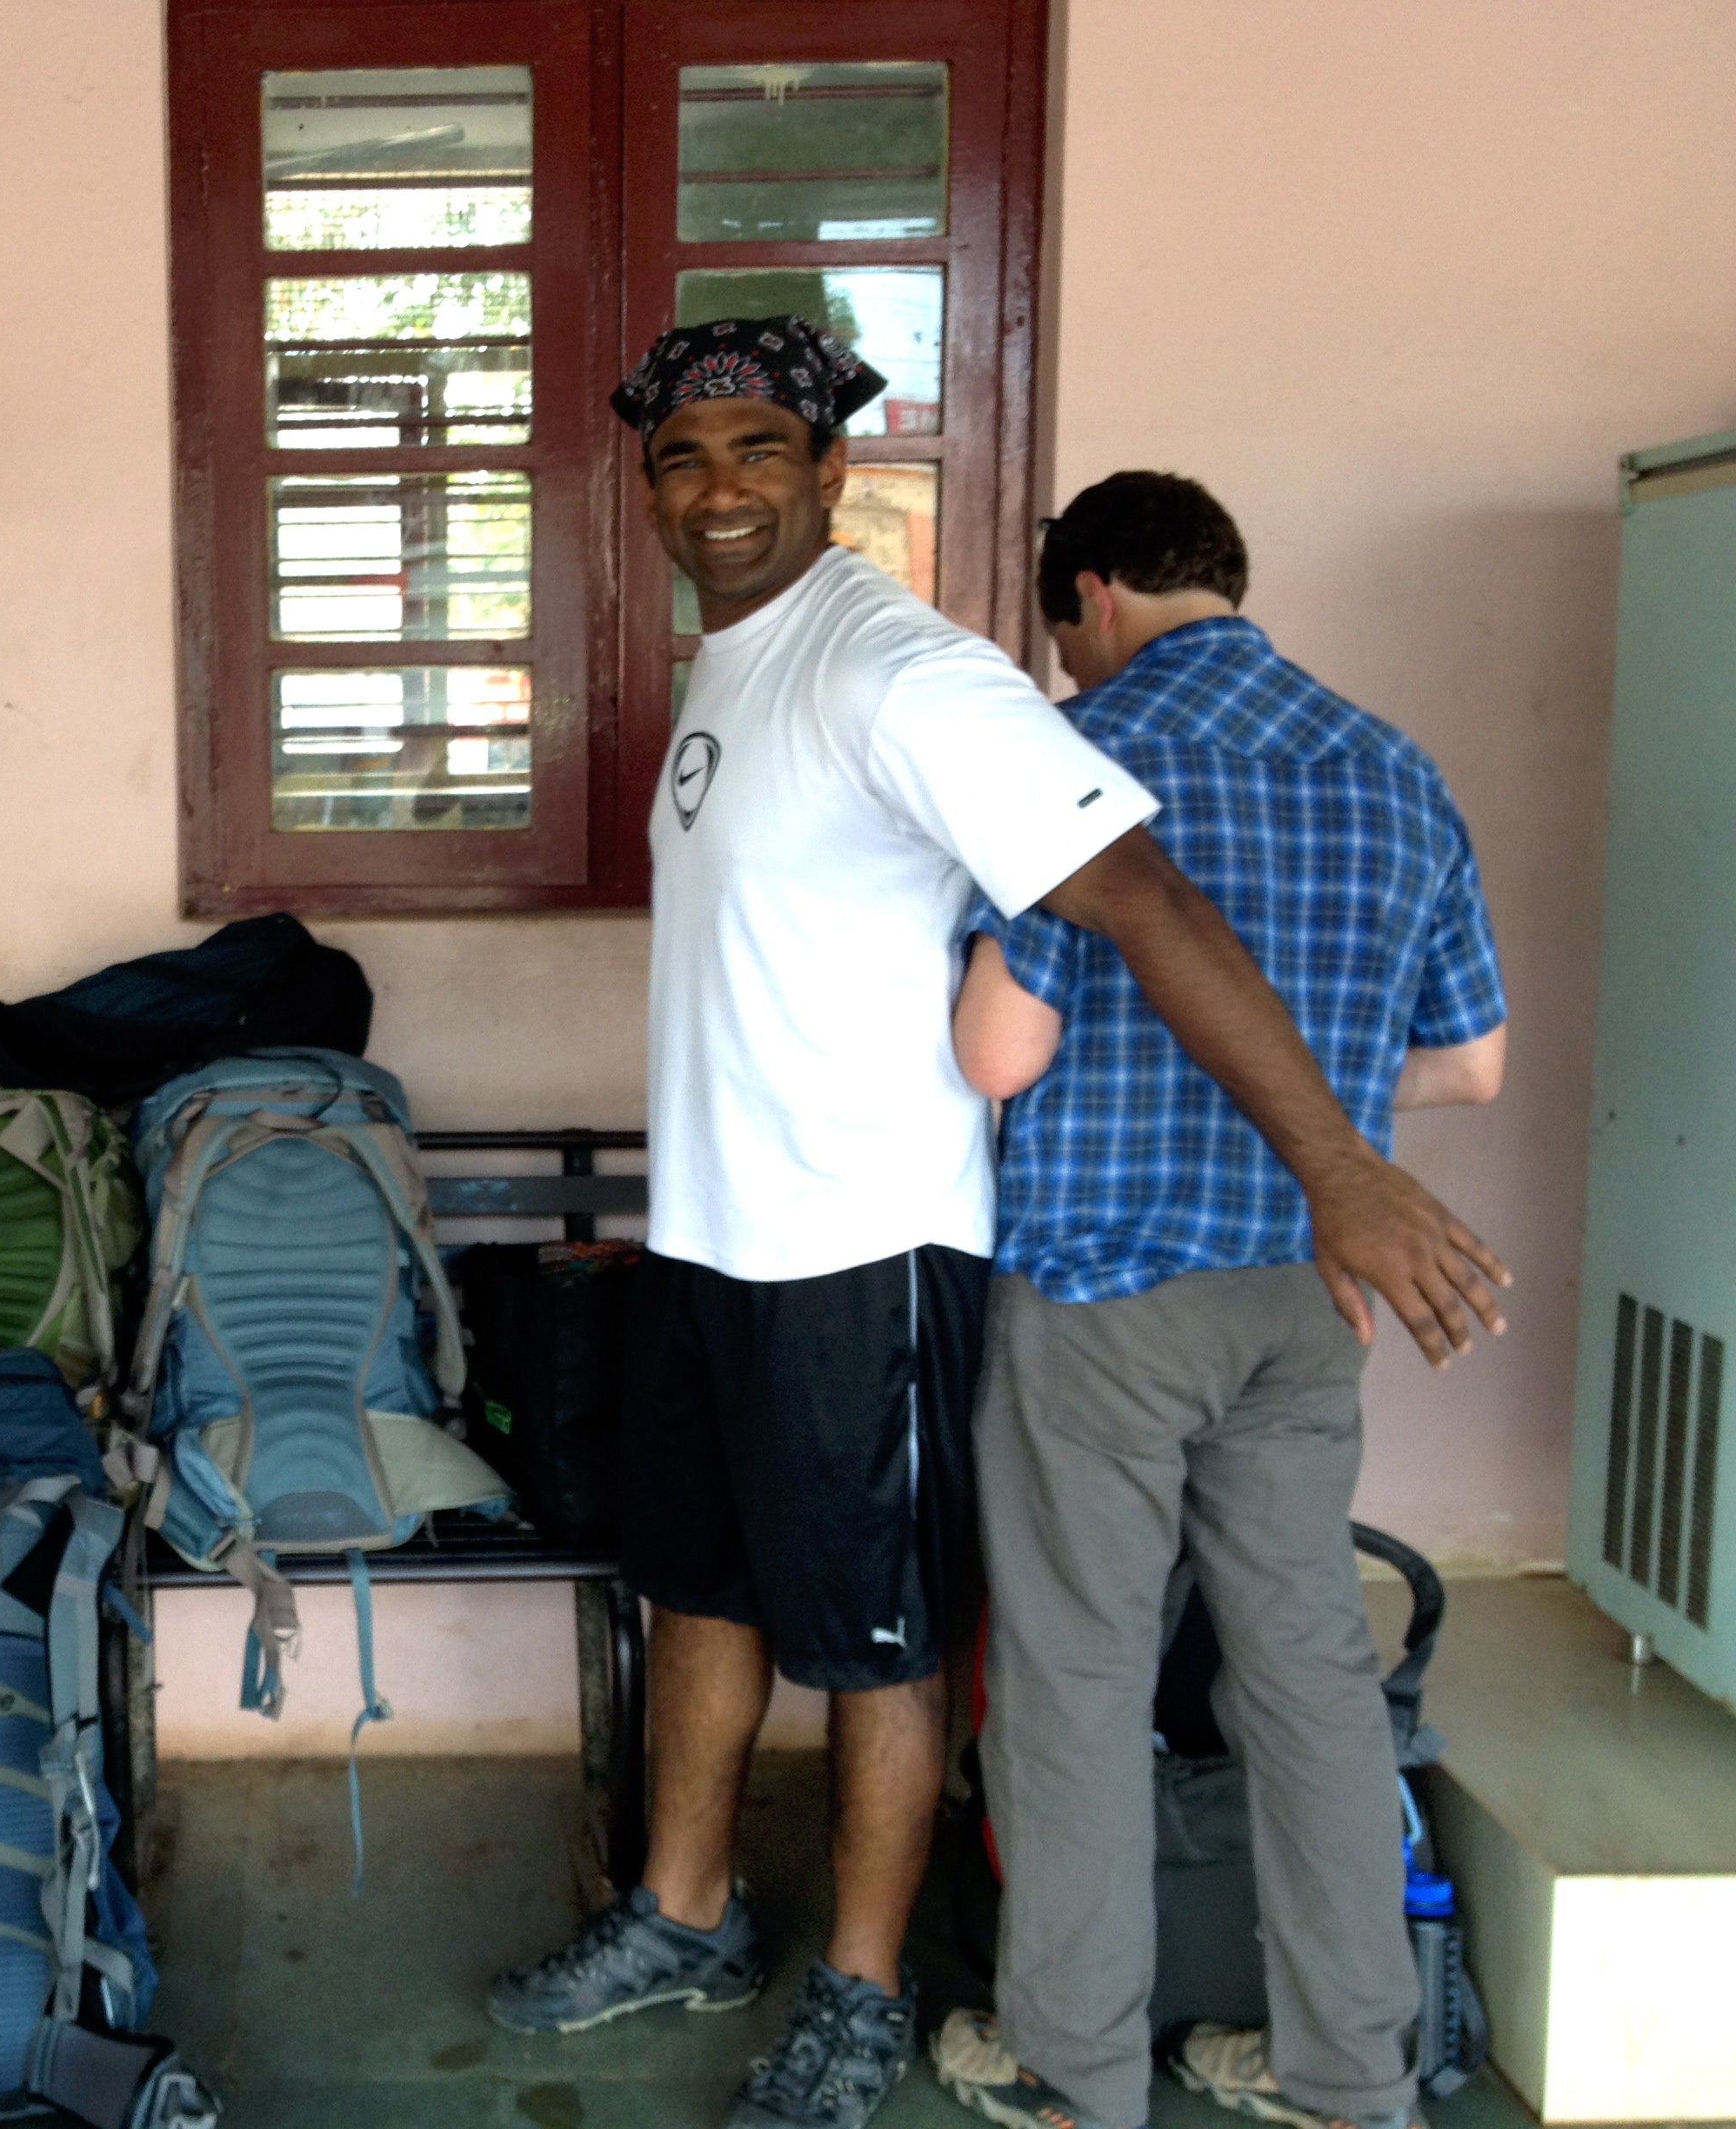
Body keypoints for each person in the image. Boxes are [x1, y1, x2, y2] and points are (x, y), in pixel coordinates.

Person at [482, 320, 1508, 2129]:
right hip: (719, 1237)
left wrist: (1344, 1172)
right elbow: (1465, 1051)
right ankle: (687, 1913)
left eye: (759, 449)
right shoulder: (739, 667)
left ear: (832, 472)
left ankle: (874, 1994)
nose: (718, 488)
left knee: (912, 1647)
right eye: (682, 458)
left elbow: (1141, 900)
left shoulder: (912, 673)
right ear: (643, 489)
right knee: (702, 1593)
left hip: (873, 1248)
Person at [926, 474, 1507, 2129]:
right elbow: (1470, 1064)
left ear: (1093, 596)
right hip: (1312, 1289)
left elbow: (998, 1052)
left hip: (1106, 1292)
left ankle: (1078, 2072)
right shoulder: (1393, 767)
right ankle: (1351, 2074)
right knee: (1311, 1677)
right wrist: (1322, 1117)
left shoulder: (1081, 761)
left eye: (1063, 633)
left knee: (1077, 1682)